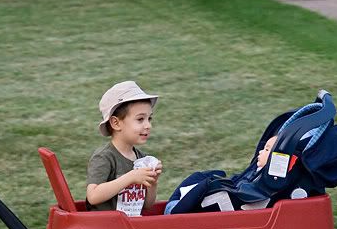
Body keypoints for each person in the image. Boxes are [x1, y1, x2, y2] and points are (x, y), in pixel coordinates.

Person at [86, 81, 162, 216]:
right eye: (140, 119)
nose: (148, 125)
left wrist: (153, 182)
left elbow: (147, 205)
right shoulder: (104, 157)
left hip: (131, 227)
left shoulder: (141, 159)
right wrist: (131, 177)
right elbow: (93, 196)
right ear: (116, 123)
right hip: (104, 228)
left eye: (149, 119)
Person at [164, 135, 277, 214]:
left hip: (182, 212)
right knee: (201, 176)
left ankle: (175, 211)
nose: (261, 152)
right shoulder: (258, 175)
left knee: (208, 181)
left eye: (266, 150)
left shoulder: (268, 182)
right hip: (184, 205)